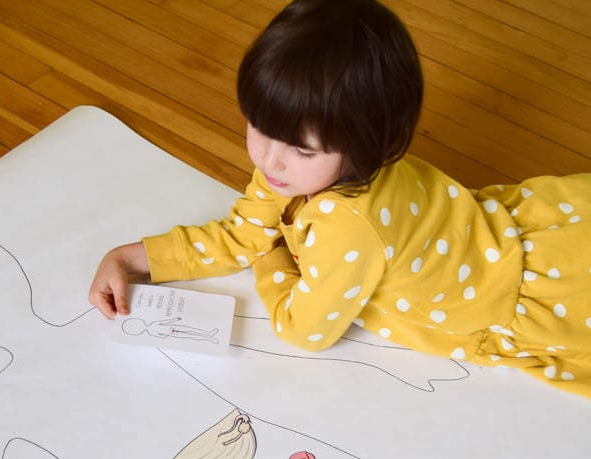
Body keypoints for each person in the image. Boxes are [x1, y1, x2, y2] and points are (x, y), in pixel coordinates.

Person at [89, 0, 591, 398]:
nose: (269, 160)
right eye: (259, 127)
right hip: (515, 238)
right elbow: (239, 233)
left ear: (366, 144)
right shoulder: (294, 170)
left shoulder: (347, 226)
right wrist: (131, 258)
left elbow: (305, 330)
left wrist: (270, 257)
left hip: (540, 296)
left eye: (301, 150)